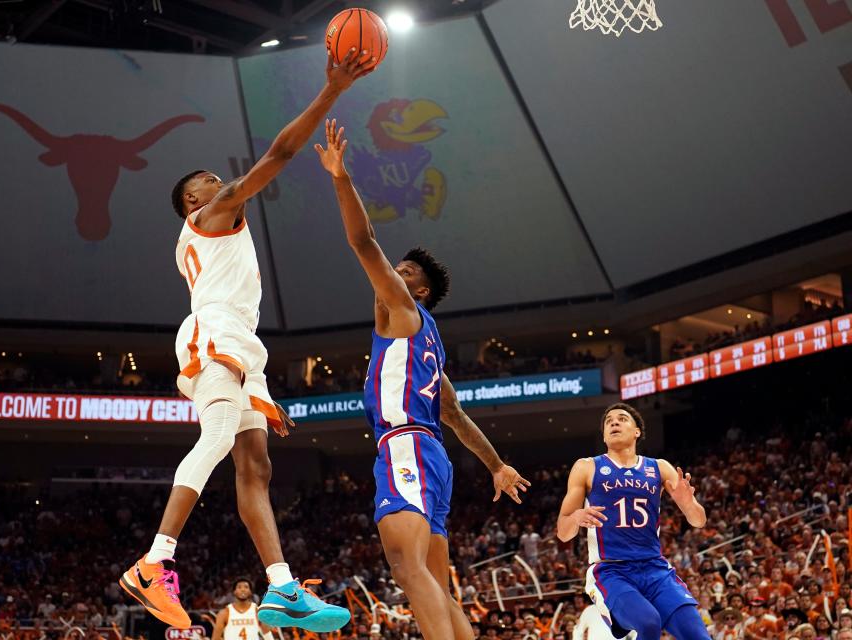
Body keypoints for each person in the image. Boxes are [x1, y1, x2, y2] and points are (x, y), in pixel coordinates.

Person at [119, 51, 375, 632]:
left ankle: (282, 588)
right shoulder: (210, 217)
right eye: (211, 181)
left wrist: (254, 388)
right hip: (215, 334)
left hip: (239, 343)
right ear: (194, 202)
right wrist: (332, 90)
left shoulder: (208, 239)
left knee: (255, 465)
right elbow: (280, 155)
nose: (222, 183)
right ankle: (152, 562)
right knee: (216, 435)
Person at [314, 120, 530, 640]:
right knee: (435, 582)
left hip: (406, 445)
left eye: (407, 272)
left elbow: (363, 241)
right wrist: (497, 465)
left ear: (422, 291)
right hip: (431, 453)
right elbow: (454, 415)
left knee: (405, 567)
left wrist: (341, 178)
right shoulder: (428, 343)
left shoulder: (404, 313)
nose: (395, 273)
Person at [556, 403, 710, 640]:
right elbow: (563, 533)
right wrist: (575, 517)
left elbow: (698, 521)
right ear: (604, 436)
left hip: (654, 568)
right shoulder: (587, 467)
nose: (614, 423)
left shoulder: (659, 467)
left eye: (622, 419)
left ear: (637, 431)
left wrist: (688, 504)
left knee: (698, 635)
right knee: (649, 623)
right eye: (609, 421)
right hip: (611, 570)